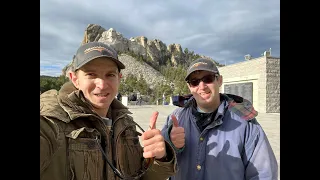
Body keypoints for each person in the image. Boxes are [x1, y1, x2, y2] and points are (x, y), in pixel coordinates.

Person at [40, 42, 177, 180]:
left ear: (119, 79)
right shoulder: (51, 122)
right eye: (91, 74)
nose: (102, 84)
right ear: (75, 79)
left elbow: (140, 177)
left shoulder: (126, 124)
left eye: (110, 75)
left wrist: (160, 158)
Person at [161, 58, 278, 180]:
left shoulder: (246, 124)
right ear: (189, 87)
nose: (202, 86)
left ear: (219, 80)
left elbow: (264, 174)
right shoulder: (176, 118)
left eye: (208, 79)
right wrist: (167, 143)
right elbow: (161, 167)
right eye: (194, 82)